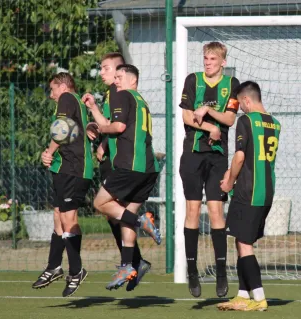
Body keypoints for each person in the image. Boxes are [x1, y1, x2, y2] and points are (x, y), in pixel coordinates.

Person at [86, 64, 161, 290]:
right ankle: (128, 265)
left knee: (100, 203)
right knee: (125, 214)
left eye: (119, 77)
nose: (116, 81)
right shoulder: (141, 101)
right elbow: (114, 124)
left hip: (130, 165)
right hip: (148, 168)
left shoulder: (123, 95)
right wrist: (94, 110)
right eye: (115, 77)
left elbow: (117, 126)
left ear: (132, 80)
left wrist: (99, 130)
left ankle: (143, 222)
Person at [179, 41, 240, 298]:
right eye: (205, 59)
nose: (208, 63)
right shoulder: (193, 80)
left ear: (223, 62)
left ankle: (222, 271)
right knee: (192, 209)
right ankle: (192, 270)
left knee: (217, 211)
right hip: (193, 155)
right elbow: (186, 117)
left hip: (217, 158)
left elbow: (229, 119)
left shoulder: (232, 85)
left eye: (213, 60)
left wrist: (209, 111)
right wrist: (209, 128)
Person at [216, 81, 279, 312]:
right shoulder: (275, 123)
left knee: (244, 244)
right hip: (266, 190)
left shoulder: (246, 120)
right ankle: (243, 294)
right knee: (241, 239)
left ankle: (259, 297)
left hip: (248, 191)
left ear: (246, 100)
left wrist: (229, 181)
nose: (240, 109)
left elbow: (240, 157)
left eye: (241, 104)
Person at [33, 72, 92, 297]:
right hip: (66, 168)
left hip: (75, 169)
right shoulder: (74, 102)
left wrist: (48, 151)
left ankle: (76, 270)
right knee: (58, 215)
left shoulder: (67, 98)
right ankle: (54, 266)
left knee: (68, 218)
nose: (51, 95)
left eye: (52, 89)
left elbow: (64, 127)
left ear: (64, 86)